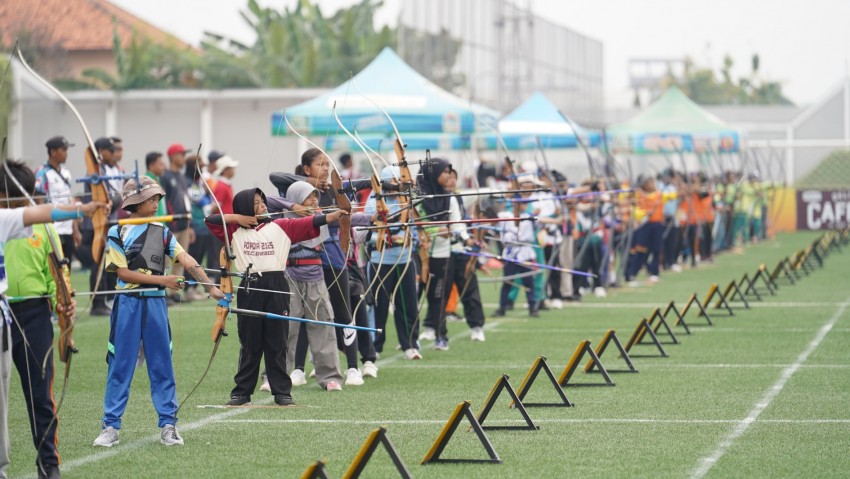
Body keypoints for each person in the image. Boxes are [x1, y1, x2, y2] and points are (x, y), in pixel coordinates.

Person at [93, 177, 223, 448]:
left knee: (161, 363)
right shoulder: (118, 232)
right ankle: (110, 426)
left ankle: (168, 424)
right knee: (121, 364)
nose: (156, 204)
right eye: (151, 200)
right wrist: (165, 281)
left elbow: (185, 259)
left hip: (154, 305)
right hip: (127, 303)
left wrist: (210, 287)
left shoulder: (162, 232)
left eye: (156, 199)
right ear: (136, 203)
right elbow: (124, 273)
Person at [0, 160, 108, 479]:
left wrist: (65, 301)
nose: (22, 206)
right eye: (15, 199)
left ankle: (49, 463)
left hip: (34, 314)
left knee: (40, 394)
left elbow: (58, 269)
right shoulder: (6, 218)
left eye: (25, 199)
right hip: (5, 312)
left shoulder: (33, 224)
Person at [206, 188, 347, 404]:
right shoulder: (233, 228)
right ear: (244, 209)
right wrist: (238, 218)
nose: (263, 205)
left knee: (278, 342)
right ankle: (242, 392)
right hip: (250, 286)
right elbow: (211, 220)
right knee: (249, 342)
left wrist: (334, 215)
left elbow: (310, 223)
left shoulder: (282, 226)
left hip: (277, 285)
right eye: (256, 203)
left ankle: (282, 392)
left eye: (263, 201)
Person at [364, 166, 421, 359]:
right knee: (378, 305)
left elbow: (412, 230)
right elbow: (367, 230)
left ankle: (410, 345)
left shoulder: (405, 199)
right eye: (391, 183)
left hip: (404, 259)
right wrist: (386, 238)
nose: (394, 187)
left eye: (398, 182)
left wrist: (406, 238)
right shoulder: (374, 200)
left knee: (407, 303)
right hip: (380, 260)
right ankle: (375, 346)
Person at [34, 136, 81, 264]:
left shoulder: (66, 173)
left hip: (68, 230)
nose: (67, 153)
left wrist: (75, 230)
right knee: (55, 269)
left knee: (67, 269)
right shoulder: (42, 172)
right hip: (53, 230)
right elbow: (39, 202)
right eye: (64, 149)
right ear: (53, 152)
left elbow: (69, 201)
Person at [160, 143, 195, 304]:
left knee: (180, 260)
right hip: (172, 225)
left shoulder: (181, 176)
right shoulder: (165, 176)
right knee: (166, 259)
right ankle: (164, 291)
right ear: (173, 156)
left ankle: (174, 292)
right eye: (181, 154)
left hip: (184, 224)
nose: (183, 157)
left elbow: (186, 199)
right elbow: (164, 201)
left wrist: (190, 224)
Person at [144, 152, 168, 217]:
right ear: (151, 165)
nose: (163, 167)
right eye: (161, 164)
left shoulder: (157, 179)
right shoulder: (146, 181)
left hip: (161, 222)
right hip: (155, 222)